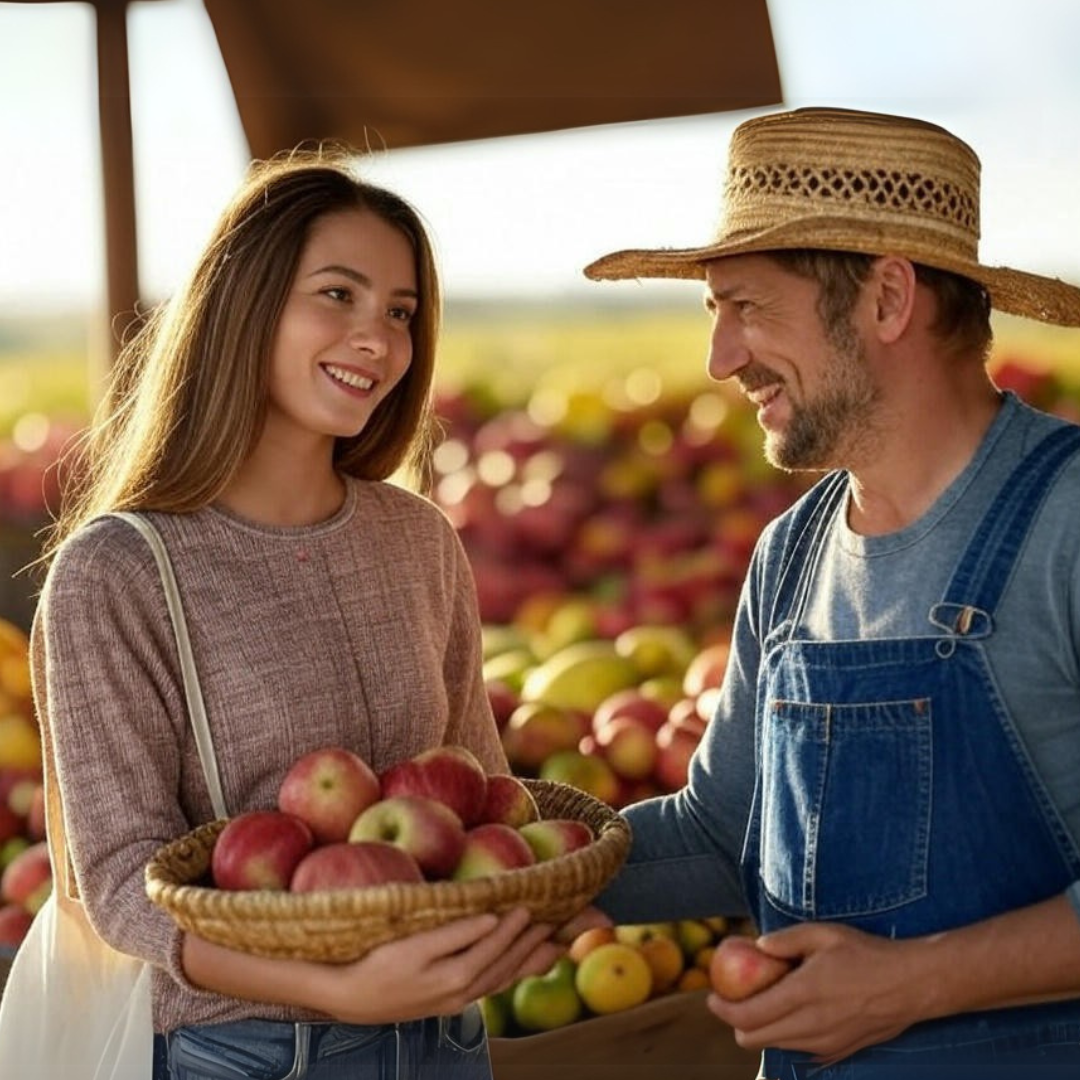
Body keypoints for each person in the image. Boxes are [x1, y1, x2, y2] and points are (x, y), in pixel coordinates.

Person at [29, 146, 563, 1079]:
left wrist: (537, 900)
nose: (379, 339)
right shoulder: (115, 573)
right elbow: (114, 885)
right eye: (338, 295)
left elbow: (482, 787)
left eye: (400, 312)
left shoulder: (419, 540)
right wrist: (335, 992)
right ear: (247, 305)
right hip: (250, 1052)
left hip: (446, 1040)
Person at [582, 107, 1080, 1078]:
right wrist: (529, 864)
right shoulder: (791, 554)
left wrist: (916, 981)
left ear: (888, 299)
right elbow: (727, 832)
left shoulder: (1066, 522)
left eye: (747, 308)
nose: (720, 361)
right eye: (712, 315)